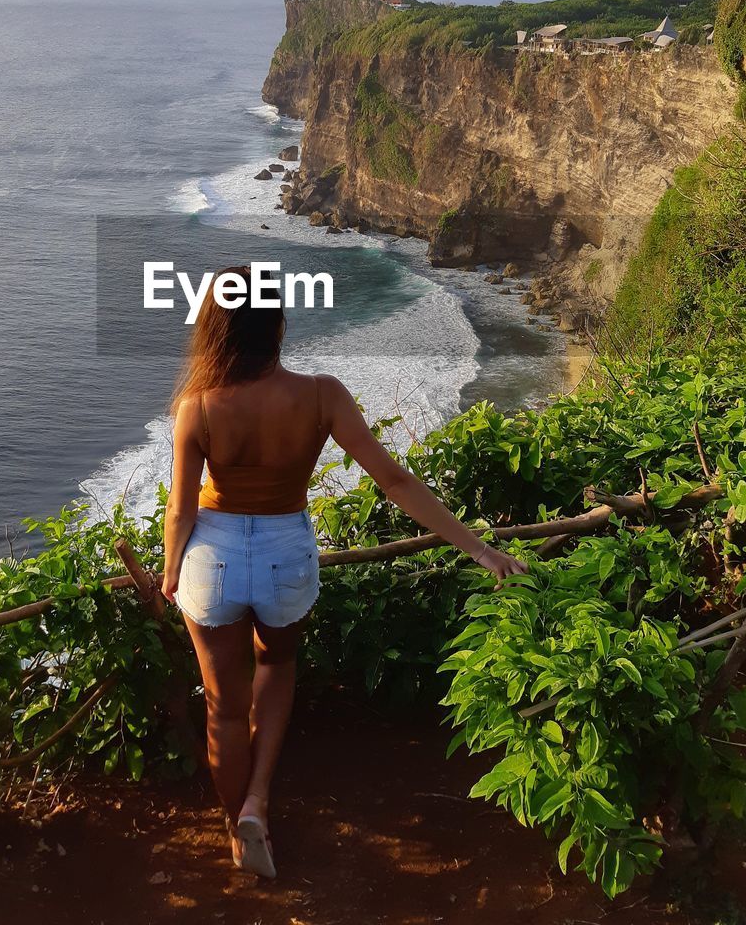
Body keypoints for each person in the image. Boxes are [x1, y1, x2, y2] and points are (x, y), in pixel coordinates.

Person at [160, 265, 527, 878]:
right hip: (284, 555)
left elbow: (181, 508)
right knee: (276, 663)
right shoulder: (322, 395)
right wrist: (482, 550)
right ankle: (258, 801)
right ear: (276, 323)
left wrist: (171, 572)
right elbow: (395, 481)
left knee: (223, 707)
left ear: (214, 331)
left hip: (214, 559)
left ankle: (238, 831)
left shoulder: (196, 406)